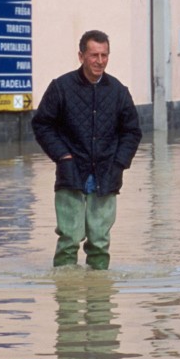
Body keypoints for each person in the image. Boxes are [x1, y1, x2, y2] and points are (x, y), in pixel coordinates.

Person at [31, 30, 142, 270]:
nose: (100, 61)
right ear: (81, 56)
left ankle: (99, 301)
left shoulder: (118, 92)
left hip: (106, 175)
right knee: (69, 240)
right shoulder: (60, 87)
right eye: (94, 55)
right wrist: (63, 156)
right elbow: (42, 124)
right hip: (71, 174)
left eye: (104, 55)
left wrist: (118, 163)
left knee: (100, 243)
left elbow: (132, 132)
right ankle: (66, 298)